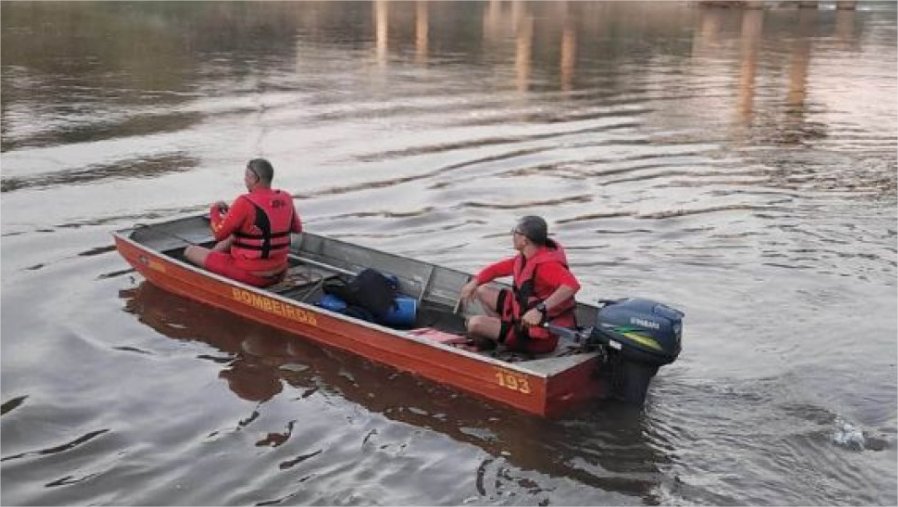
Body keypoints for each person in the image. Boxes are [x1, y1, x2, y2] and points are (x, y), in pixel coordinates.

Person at [459, 216, 580, 354]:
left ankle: (497, 342)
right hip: (521, 315)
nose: (512, 236)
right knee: (481, 290)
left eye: (515, 232)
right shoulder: (527, 257)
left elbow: (572, 285)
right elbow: (497, 269)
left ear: (525, 240)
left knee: (474, 324)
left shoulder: (547, 266)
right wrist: (475, 282)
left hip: (535, 337)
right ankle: (502, 332)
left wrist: (540, 310)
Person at [185, 158, 302, 288]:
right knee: (234, 236)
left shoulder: (244, 202)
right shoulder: (286, 197)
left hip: (252, 275)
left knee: (190, 251)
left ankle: (206, 274)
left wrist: (214, 211)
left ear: (255, 178)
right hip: (280, 271)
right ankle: (212, 261)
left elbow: (218, 234)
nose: (244, 180)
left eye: (246, 176)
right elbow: (297, 228)